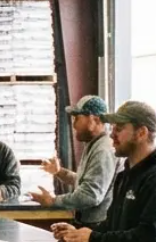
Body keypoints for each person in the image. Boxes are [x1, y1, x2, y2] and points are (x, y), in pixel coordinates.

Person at [51, 101, 156, 242]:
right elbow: (113, 226)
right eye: (113, 128)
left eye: (119, 129)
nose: (112, 135)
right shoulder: (125, 175)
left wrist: (94, 238)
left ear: (141, 133)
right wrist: (78, 234)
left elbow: (149, 239)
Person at [32, 94, 116, 227]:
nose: (74, 125)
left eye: (77, 118)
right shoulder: (94, 144)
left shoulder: (103, 150)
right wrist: (59, 172)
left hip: (98, 227)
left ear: (96, 120)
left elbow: (90, 195)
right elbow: (86, 182)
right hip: (91, 224)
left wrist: (53, 201)